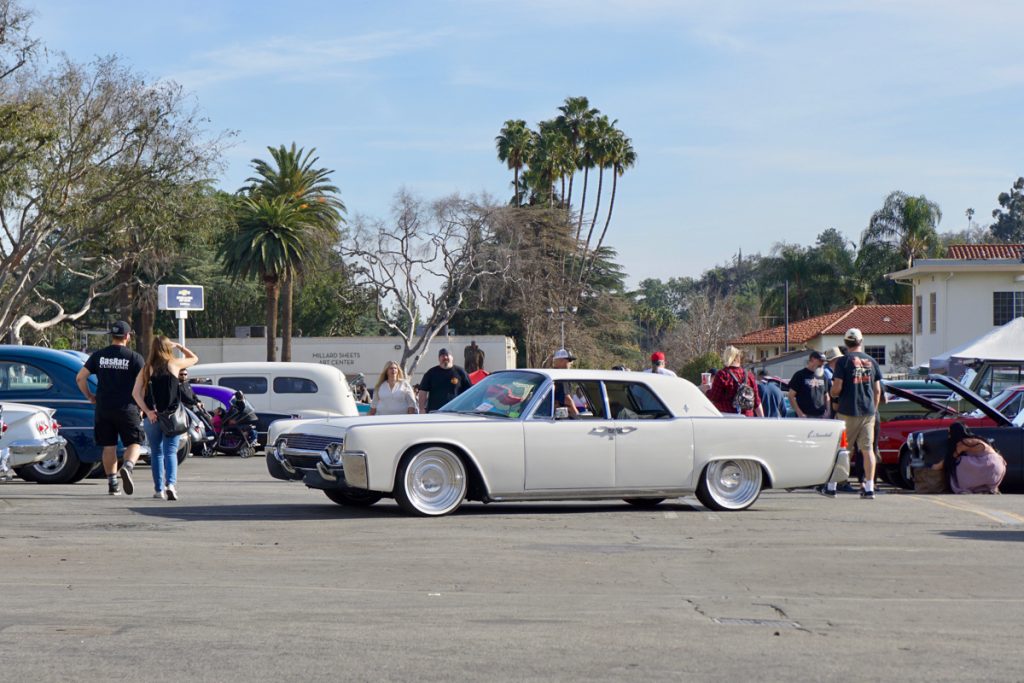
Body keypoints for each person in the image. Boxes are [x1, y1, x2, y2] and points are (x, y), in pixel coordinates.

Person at [76, 320, 146, 496]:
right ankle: (128, 467)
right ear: (127, 337)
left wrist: (90, 396)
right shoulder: (134, 357)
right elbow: (144, 383)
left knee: (109, 446)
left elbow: (80, 378)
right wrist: (142, 404)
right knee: (134, 442)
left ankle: (112, 484)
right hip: (127, 407)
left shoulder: (99, 356)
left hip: (103, 407)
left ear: (112, 337)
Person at [132, 336, 198, 501]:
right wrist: (181, 347)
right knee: (170, 452)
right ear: (168, 348)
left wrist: (147, 411)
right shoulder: (174, 364)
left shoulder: (147, 368)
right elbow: (195, 359)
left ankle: (159, 489)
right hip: (172, 416)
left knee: (156, 453)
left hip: (153, 417)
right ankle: (171, 485)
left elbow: (135, 393)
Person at [827, 328, 882, 499]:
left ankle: (831, 486)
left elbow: (837, 388)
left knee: (843, 450)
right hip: (868, 412)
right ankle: (869, 487)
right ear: (861, 341)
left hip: (847, 411)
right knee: (868, 450)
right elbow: (878, 390)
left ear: (845, 343)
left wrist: (832, 394)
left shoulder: (843, 362)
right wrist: (873, 408)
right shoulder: (872, 361)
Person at [933, 422, 1006, 494]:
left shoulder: (963, 443)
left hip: (989, 465)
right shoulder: (975, 439)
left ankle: (963, 488)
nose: (949, 436)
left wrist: (935, 467)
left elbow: (949, 459)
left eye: (950, 433)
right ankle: (984, 489)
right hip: (998, 466)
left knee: (959, 461)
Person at [707, 346, 763, 416]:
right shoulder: (749, 375)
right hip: (747, 419)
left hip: (728, 418)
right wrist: (763, 420)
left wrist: (706, 390)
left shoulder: (722, 375)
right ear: (738, 358)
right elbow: (757, 403)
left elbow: (714, 397)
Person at [417, 348, 472, 413]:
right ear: (439, 359)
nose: (445, 357)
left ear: (452, 358)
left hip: (456, 411)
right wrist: (421, 409)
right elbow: (423, 391)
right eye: (442, 356)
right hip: (435, 411)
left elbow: (470, 391)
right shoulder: (431, 373)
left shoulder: (461, 372)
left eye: (447, 355)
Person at [788, 351, 831, 419]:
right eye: (821, 361)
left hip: (821, 416)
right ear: (812, 359)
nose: (823, 363)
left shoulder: (824, 376)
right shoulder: (799, 375)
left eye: (824, 361)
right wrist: (799, 413)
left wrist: (828, 411)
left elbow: (826, 395)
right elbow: (791, 396)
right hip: (805, 416)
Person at [551, 348, 580, 418]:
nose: (571, 363)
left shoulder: (551, 374)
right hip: (561, 417)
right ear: (562, 361)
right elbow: (567, 399)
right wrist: (577, 414)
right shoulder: (561, 376)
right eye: (570, 360)